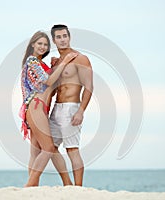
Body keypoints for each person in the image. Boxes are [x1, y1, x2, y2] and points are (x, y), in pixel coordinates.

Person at [19, 31, 77, 187]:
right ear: (32, 44)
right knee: (49, 148)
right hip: (36, 106)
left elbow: (52, 80)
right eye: (39, 43)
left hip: (40, 108)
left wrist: (55, 66)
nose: (42, 47)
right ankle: (30, 184)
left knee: (36, 150)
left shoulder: (40, 64)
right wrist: (64, 63)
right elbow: (49, 80)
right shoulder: (32, 61)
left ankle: (66, 183)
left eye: (45, 45)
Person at [49, 25, 93, 186]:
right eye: (58, 37)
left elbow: (89, 87)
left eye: (64, 36)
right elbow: (52, 89)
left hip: (71, 107)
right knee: (50, 147)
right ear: (54, 40)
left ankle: (79, 188)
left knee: (72, 149)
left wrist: (81, 110)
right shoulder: (57, 61)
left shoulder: (80, 58)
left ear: (69, 37)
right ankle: (68, 185)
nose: (62, 40)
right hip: (56, 107)